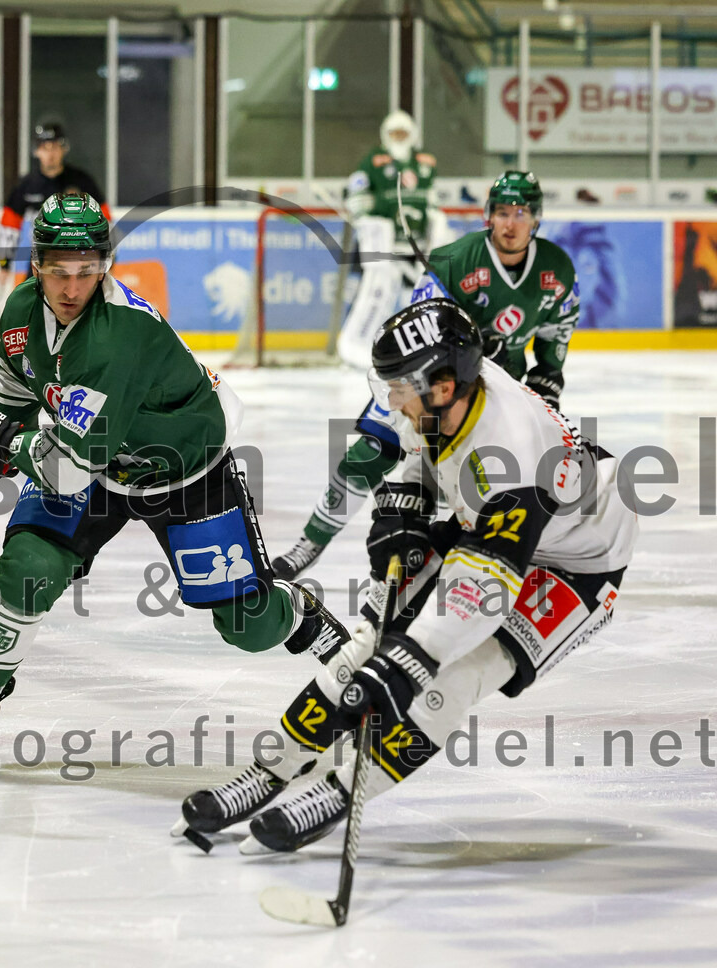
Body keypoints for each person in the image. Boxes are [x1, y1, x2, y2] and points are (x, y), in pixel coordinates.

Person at [0, 191, 355, 775]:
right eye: (58, 272)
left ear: (105, 267)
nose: (72, 289)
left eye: (87, 272)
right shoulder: (20, 311)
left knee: (247, 625)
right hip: (96, 460)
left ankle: (297, 614)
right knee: (28, 569)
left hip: (182, 466)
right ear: (37, 265)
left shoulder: (115, 337)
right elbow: (15, 406)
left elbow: (70, 465)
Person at [174, 298, 637, 852]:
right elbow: (432, 449)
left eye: (399, 388)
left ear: (441, 387)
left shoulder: (509, 457)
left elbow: (481, 594)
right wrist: (407, 501)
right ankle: (270, 769)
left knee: (455, 677)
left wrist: (411, 660)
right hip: (500, 519)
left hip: (581, 561)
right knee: (370, 642)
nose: (390, 400)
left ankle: (342, 791)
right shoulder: (453, 389)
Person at [274, 170, 580, 597]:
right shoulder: (454, 260)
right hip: (432, 380)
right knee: (370, 450)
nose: (510, 223)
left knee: (496, 475)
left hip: (499, 388)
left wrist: (542, 395)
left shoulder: (557, 270)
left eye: (521, 213)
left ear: (536, 219)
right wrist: (465, 346)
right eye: (501, 212)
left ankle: (478, 562)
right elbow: (422, 332)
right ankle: (309, 543)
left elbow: (554, 345)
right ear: (488, 217)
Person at [336, 109, 448, 369]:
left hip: (416, 246)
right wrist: (364, 214)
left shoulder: (425, 164)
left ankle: (416, 348)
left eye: (403, 133)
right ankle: (359, 344)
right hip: (383, 246)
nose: (399, 137)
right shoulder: (374, 161)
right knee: (377, 293)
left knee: (420, 297)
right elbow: (357, 195)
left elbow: (432, 200)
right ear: (385, 135)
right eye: (394, 133)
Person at [0, 122, 110, 289]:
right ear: (36, 150)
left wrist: (108, 258)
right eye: (45, 147)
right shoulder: (27, 186)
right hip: (42, 257)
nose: (50, 153)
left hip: (80, 258)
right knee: (31, 303)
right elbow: (9, 227)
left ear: (63, 148)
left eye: (54, 147)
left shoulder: (81, 182)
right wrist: (5, 264)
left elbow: (105, 220)